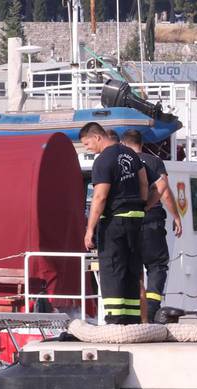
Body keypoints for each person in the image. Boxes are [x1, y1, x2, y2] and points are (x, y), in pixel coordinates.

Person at [79, 122, 149, 324]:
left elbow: (100, 197)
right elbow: (144, 183)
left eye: (87, 143)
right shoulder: (131, 154)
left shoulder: (102, 161)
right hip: (136, 220)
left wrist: (89, 229)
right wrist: (141, 207)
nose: (88, 148)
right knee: (131, 270)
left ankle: (116, 321)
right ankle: (132, 320)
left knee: (112, 270)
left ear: (97, 137)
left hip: (114, 222)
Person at [120, 129, 184, 322]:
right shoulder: (154, 162)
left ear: (123, 143)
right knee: (156, 266)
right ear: (141, 143)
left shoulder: (122, 162)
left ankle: (133, 311)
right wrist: (176, 217)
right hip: (152, 220)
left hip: (127, 221)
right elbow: (164, 191)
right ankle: (152, 308)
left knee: (133, 267)